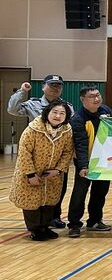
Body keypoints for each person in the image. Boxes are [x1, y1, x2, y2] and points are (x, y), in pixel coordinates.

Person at [7, 74, 74, 229]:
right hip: (36, 155)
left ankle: (53, 218)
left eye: (58, 86)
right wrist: (22, 92)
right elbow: (12, 109)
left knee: (56, 190)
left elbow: (70, 129)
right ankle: (36, 226)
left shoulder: (67, 107)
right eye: (52, 85)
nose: (55, 88)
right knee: (32, 191)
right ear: (43, 86)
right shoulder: (33, 104)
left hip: (56, 156)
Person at [67, 86, 112, 238]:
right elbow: (80, 144)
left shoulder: (106, 110)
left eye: (98, 95)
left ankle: (94, 221)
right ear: (83, 99)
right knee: (79, 193)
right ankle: (74, 224)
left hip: (103, 161)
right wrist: (83, 166)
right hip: (85, 161)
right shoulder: (77, 118)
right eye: (92, 96)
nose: (96, 98)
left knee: (100, 193)